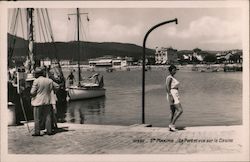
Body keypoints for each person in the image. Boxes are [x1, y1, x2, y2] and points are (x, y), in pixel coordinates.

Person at [30, 67, 59, 136]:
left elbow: (32, 92)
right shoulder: (49, 80)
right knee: (48, 116)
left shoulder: (36, 81)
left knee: (37, 118)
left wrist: (33, 95)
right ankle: (49, 131)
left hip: (37, 101)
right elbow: (57, 86)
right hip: (47, 101)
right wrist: (51, 91)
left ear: (37, 74)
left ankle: (37, 132)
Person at [165, 64, 183, 132]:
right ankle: (172, 124)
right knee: (180, 110)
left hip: (174, 94)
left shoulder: (172, 77)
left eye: (175, 70)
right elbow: (167, 87)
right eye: (174, 70)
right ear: (171, 70)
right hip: (172, 94)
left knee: (173, 111)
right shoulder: (169, 77)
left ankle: (170, 125)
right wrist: (170, 95)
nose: (175, 71)